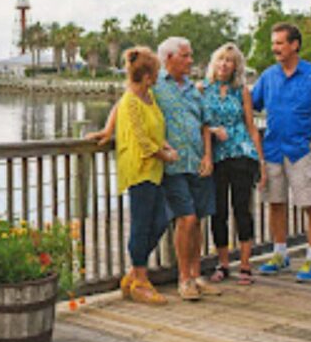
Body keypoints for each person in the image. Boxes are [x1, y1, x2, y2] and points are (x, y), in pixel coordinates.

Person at [89, 37, 218, 300]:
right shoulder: (153, 87)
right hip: (156, 168)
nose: (191, 60)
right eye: (186, 55)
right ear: (167, 60)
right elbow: (124, 103)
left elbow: (200, 122)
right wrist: (108, 129)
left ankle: (182, 275)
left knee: (174, 222)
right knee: (173, 219)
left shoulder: (189, 90)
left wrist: (206, 154)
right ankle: (152, 277)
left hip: (184, 163)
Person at [253, 23, 311, 282]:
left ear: (294, 44)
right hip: (273, 150)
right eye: (274, 43)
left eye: (279, 43)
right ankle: (280, 254)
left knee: (310, 204)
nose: (275, 48)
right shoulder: (268, 77)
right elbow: (250, 105)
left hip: (301, 150)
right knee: (275, 204)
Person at [112, 46, 178, 305]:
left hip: (155, 169)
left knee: (161, 220)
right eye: (157, 73)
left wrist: (164, 147)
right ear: (148, 76)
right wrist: (165, 155)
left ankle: (133, 272)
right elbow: (141, 139)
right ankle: (140, 278)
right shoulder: (130, 101)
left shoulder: (149, 97)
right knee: (141, 224)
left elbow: (155, 133)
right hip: (139, 168)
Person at [200, 43, 264, 285]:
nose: (224, 64)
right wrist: (213, 129)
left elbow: (250, 126)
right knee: (218, 211)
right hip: (216, 157)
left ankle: (245, 265)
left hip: (241, 153)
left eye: (229, 60)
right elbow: (198, 122)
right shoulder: (203, 89)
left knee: (241, 208)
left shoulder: (242, 91)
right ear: (213, 63)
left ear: (236, 66)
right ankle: (223, 263)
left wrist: (261, 161)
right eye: (220, 60)